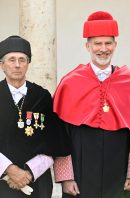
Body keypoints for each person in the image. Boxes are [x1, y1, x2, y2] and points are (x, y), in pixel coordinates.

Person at [53, 11, 130, 198]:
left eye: (108, 43)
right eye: (97, 43)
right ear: (87, 46)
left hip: (118, 171)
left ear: (115, 45)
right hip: (80, 173)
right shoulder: (70, 82)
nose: (103, 49)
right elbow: (60, 134)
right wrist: (66, 177)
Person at [0, 35, 69, 198]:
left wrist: (29, 173)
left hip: (37, 182)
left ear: (28, 64)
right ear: (2, 64)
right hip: (2, 181)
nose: (17, 65)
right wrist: (10, 170)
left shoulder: (42, 96)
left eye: (22, 60)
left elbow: (54, 141)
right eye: (11, 60)